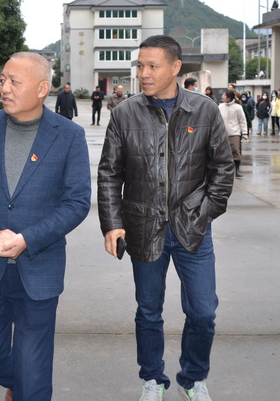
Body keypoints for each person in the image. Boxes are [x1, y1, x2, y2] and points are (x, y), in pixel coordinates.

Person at [0, 52, 91, 401]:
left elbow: (76, 202)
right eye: (3, 80)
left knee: (34, 373)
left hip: (39, 269)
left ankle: (28, 386)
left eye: (14, 81)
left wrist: (29, 238)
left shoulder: (69, 135)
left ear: (42, 89)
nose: (4, 88)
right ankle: (22, 382)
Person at [98, 35, 234, 401]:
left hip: (193, 228)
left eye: (152, 66)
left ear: (175, 67)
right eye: (140, 66)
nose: (143, 73)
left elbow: (223, 168)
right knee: (148, 311)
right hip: (143, 227)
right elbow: (110, 173)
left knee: (203, 312)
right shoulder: (125, 113)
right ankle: (153, 379)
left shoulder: (204, 110)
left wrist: (205, 211)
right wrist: (112, 224)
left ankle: (193, 378)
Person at [219, 89, 249, 178]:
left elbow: (242, 120)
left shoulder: (238, 107)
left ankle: (237, 170)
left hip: (234, 133)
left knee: (235, 151)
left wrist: (245, 132)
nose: (222, 96)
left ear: (229, 97)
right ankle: (225, 171)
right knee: (223, 152)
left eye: (224, 95)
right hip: (222, 133)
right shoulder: (220, 107)